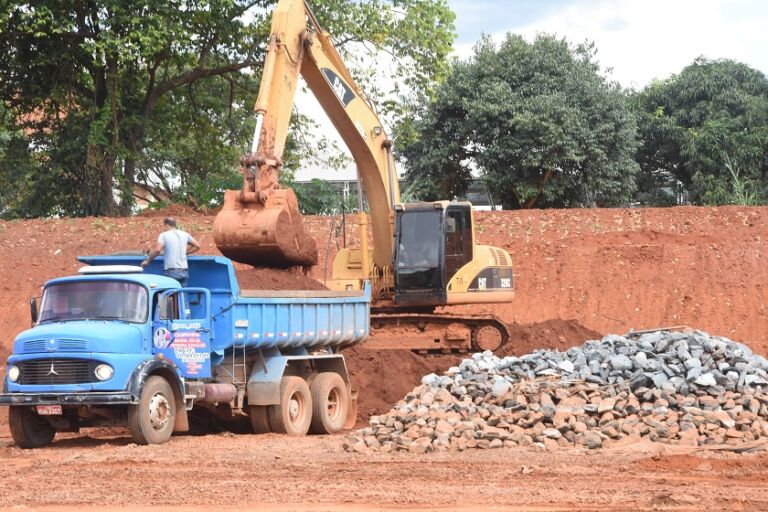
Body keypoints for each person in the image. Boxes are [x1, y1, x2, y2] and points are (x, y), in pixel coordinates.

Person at [141, 217, 201, 286]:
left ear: (167, 225)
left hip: (172, 271)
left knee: (171, 295)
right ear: (174, 225)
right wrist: (186, 252)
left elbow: (158, 249)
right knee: (182, 295)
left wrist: (148, 261)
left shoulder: (164, 235)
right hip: (184, 271)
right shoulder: (185, 234)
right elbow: (197, 246)